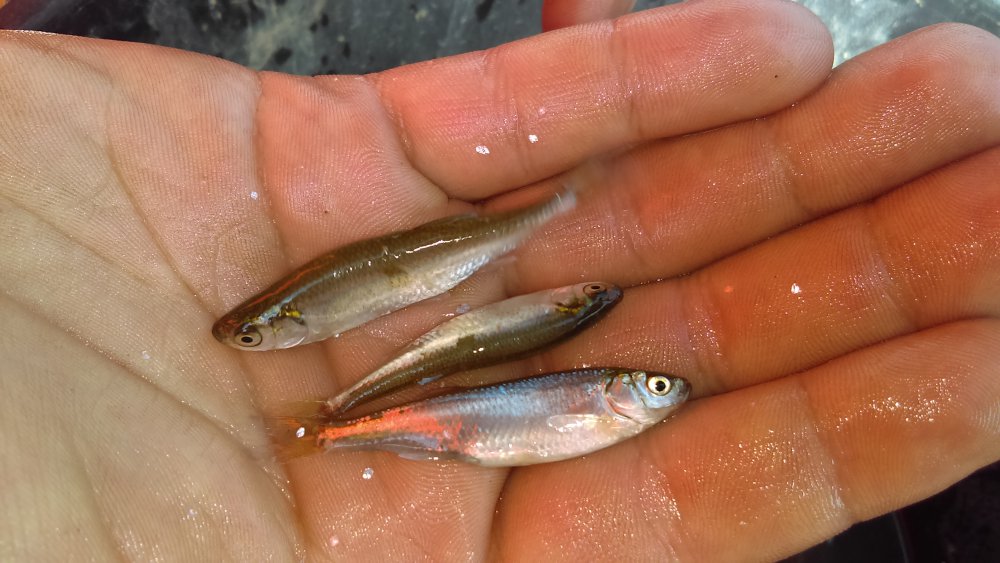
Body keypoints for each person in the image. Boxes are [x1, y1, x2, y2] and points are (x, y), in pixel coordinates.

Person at [1, 0, 997, 559]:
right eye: (652, 382)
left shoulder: (558, 359)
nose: (657, 387)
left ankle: (340, 421)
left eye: (655, 386)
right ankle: (339, 422)